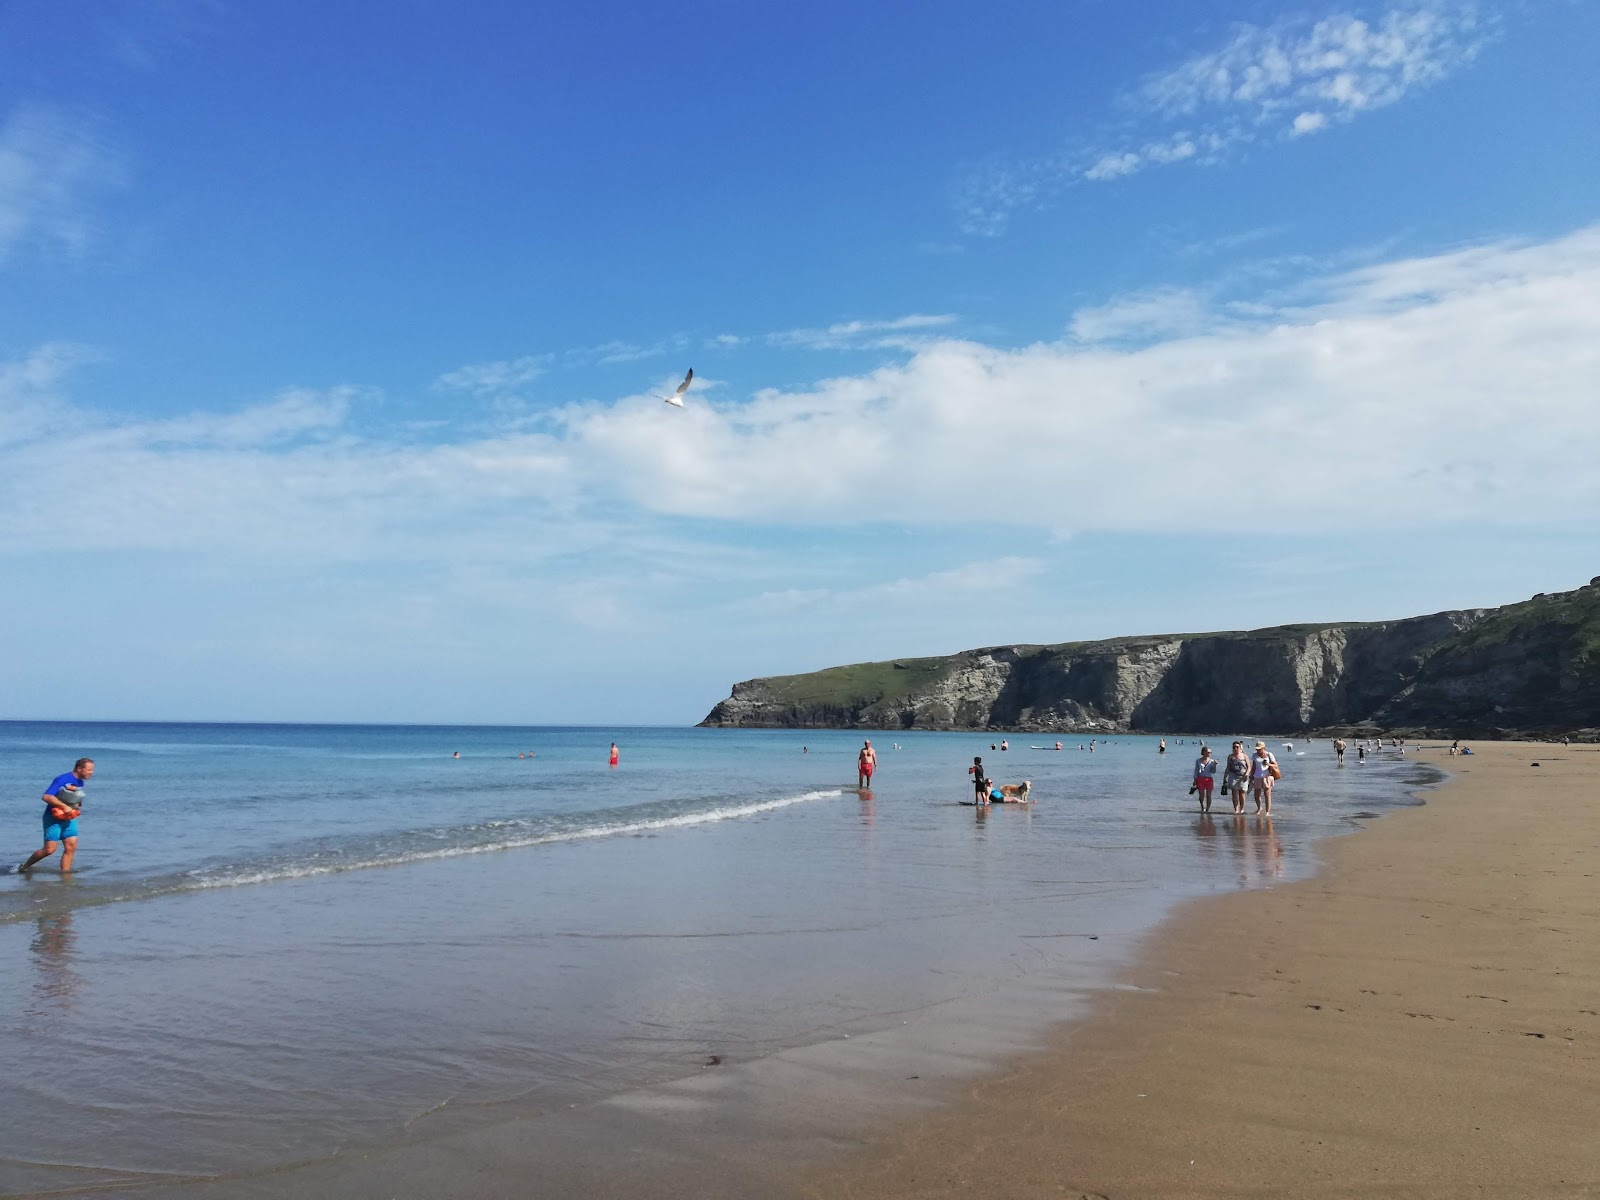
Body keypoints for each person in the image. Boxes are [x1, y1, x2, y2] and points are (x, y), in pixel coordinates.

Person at [19, 758, 94, 874]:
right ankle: (24, 867)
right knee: (49, 850)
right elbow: (47, 797)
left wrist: (77, 806)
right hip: (53, 818)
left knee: (71, 847)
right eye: (89, 770)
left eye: (92, 770)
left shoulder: (80, 782)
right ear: (79, 769)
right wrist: (64, 806)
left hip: (69, 818)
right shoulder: (62, 779)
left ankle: (65, 877)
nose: (91, 772)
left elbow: (72, 797)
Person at [1222, 741, 1250, 815]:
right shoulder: (1230, 756)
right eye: (1234, 747)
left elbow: (1249, 767)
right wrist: (1224, 777)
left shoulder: (1244, 756)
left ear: (1240, 747)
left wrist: (1246, 775)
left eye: (1237, 747)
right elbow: (1228, 767)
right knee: (1234, 793)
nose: (1235, 748)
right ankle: (1236, 810)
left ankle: (1242, 809)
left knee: (1242, 793)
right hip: (1233, 776)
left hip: (1242, 776)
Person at [1250, 741, 1277, 815]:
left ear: (1263, 748)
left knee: (1267, 794)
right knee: (1256, 794)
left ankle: (1267, 811)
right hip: (1257, 776)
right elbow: (1254, 766)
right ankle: (1259, 808)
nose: (1258, 751)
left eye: (1259, 749)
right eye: (1257, 749)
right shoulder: (1254, 755)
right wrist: (1251, 775)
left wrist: (1268, 764)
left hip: (1267, 776)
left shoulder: (1269, 754)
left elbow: (1276, 766)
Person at [1192, 746, 1218, 813]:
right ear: (1204, 752)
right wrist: (1195, 780)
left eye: (1210, 752)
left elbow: (1213, 771)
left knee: (1209, 795)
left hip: (1209, 779)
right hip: (1200, 779)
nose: (1210, 753)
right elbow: (1196, 771)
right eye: (1208, 752)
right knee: (1201, 795)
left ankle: (1207, 809)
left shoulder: (1211, 761)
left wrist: (1214, 765)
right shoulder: (1198, 760)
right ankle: (1202, 807)